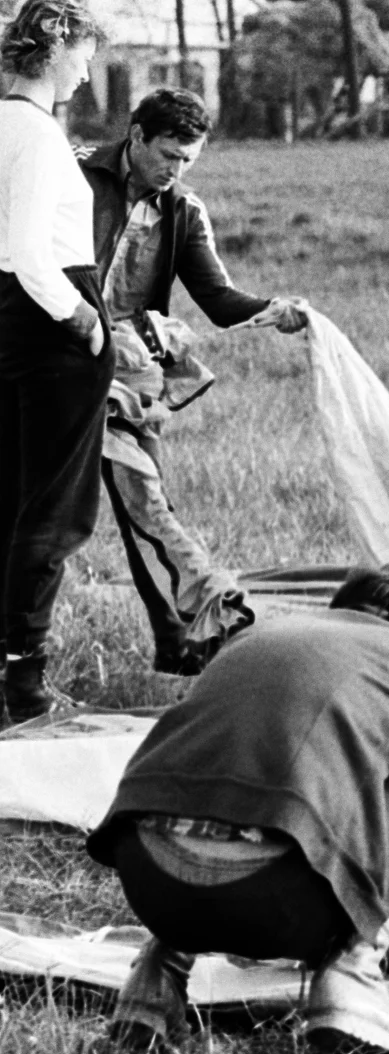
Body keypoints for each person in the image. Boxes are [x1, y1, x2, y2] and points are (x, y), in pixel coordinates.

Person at [86, 564, 389, 1054]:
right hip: (285, 895)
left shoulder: (253, 637)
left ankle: (153, 984)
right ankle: (352, 980)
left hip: (149, 880)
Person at [77, 87, 308, 677]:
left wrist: (274, 309)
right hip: (59, 360)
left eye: (188, 160)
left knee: (144, 504)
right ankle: (206, 609)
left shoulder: (182, 210)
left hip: (133, 373)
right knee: (77, 509)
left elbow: (218, 299)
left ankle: (179, 645)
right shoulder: (74, 177)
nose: (175, 171)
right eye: (168, 156)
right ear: (136, 137)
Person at [0, 0, 111, 725]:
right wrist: (82, 318)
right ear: (55, 47)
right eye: (84, 57)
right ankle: (27, 682)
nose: (86, 73)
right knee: (54, 509)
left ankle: (9, 674)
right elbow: (29, 250)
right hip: (51, 314)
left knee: (12, 497)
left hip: (9, 317)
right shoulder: (38, 136)